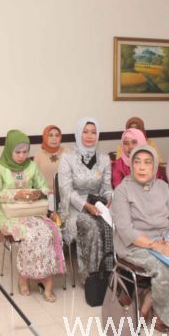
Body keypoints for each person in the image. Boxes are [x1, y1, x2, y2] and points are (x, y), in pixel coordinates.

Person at [112, 145, 169, 331]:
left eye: (147, 162)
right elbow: (125, 230)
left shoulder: (162, 187)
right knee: (166, 268)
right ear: (131, 165)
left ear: (154, 166)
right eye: (137, 162)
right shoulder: (122, 190)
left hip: (164, 239)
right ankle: (158, 313)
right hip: (135, 244)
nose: (142, 167)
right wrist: (155, 246)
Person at [0, 130, 65, 302]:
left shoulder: (31, 166)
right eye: (17, 152)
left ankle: (45, 277)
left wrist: (42, 192)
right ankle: (24, 277)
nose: (22, 156)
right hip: (9, 215)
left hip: (32, 211)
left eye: (25, 152)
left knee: (49, 232)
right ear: (9, 150)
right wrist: (15, 195)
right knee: (30, 235)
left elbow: (43, 186)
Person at [58, 118, 113, 284]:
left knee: (116, 224)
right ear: (78, 133)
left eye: (93, 132)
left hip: (98, 204)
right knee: (93, 227)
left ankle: (111, 273)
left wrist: (109, 200)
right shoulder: (67, 158)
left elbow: (107, 187)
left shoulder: (104, 158)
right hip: (74, 206)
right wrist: (86, 206)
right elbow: (66, 190)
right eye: (85, 132)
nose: (90, 136)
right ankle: (91, 277)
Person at [34, 125, 64, 192]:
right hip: (45, 193)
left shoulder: (67, 153)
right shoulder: (38, 155)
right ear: (45, 137)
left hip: (64, 193)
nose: (54, 139)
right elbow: (35, 179)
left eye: (57, 135)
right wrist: (45, 191)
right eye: (50, 135)